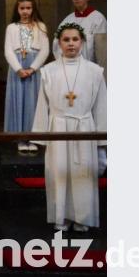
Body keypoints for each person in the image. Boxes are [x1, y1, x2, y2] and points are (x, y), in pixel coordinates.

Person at [32, 23, 106, 232]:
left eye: (75, 39)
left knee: (83, 174)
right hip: (58, 128)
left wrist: (102, 141)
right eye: (66, 40)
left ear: (82, 42)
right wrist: (40, 136)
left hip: (85, 128)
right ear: (59, 43)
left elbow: (101, 107)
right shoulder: (48, 71)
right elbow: (42, 106)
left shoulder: (95, 71)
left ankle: (83, 218)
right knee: (59, 173)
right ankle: (61, 217)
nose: (71, 44)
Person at [3, 0, 50, 152]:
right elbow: (8, 50)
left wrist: (32, 68)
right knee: (18, 102)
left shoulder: (40, 27)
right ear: (17, 9)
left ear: (33, 8)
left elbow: (45, 50)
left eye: (28, 8)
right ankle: (20, 138)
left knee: (33, 102)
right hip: (17, 68)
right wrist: (18, 69)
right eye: (22, 8)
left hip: (33, 69)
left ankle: (32, 137)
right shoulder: (11, 28)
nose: (25, 11)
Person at [51, 0, 107, 64]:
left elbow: (102, 49)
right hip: (68, 65)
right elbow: (57, 42)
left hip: (90, 66)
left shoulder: (98, 18)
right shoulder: (67, 20)